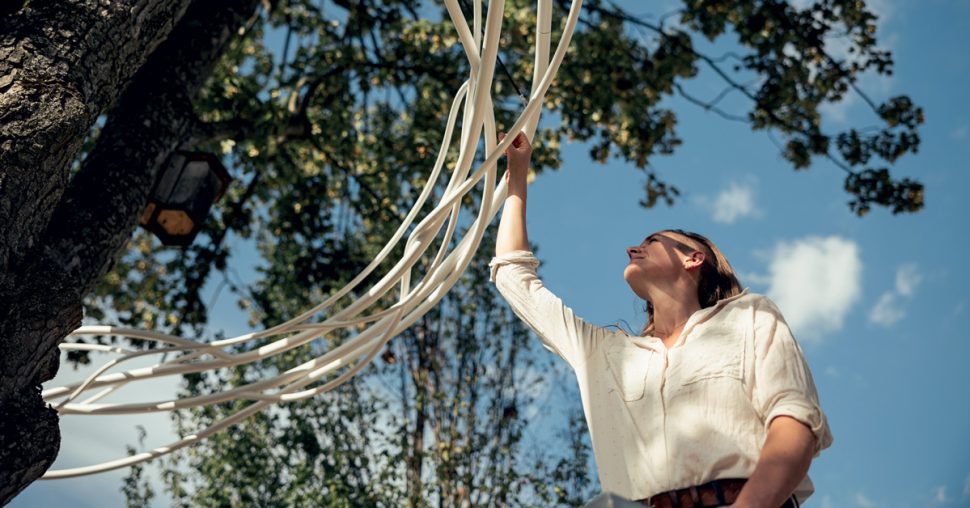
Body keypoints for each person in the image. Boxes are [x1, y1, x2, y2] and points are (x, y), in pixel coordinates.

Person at [489, 131, 833, 508]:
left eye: (652, 241)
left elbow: (794, 421)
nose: (632, 248)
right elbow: (513, 277)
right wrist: (517, 179)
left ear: (693, 258)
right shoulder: (602, 352)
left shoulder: (750, 316)